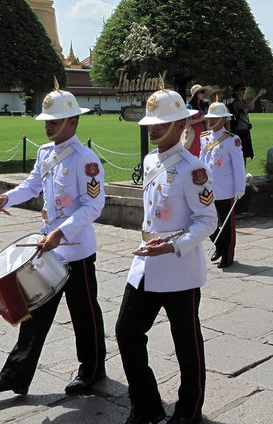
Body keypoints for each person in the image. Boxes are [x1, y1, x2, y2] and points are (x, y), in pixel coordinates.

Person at [0, 87, 107, 396]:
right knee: (32, 312)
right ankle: (15, 375)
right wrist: (7, 198)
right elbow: (33, 184)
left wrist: (61, 233)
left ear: (73, 122)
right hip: (45, 249)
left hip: (75, 250)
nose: (48, 126)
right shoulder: (45, 153)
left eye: (56, 121)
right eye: (47, 121)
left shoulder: (85, 160)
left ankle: (92, 370)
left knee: (85, 314)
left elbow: (94, 206)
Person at [115, 88, 217, 424]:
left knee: (186, 344)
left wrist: (174, 245)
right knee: (126, 332)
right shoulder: (150, 160)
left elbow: (208, 220)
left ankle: (190, 410)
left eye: (162, 123)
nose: (153, 129)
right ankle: (145, 405)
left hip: (179, 269)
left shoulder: (193, 169)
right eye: (151, 123)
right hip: (145, 265)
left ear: (181, 124)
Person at [200, 101, 245, 269]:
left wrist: (240, 188)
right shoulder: (205, 137)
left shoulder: (232, 140)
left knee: (226, 225)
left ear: (223, 119)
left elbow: (238, 166)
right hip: (207, 188)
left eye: (214, 118)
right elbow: (201, 161)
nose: (210, 121)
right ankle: (218, 245)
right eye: (209, 118)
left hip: (225, 189)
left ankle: (227, 254)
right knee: (206, 220)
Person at [229, 83, 265, 162]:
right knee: (240, 154)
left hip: (245, 130)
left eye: (244, 89)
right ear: (236, 92)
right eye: (241, 89)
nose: (244, 91)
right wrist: (257, 96)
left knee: (245, 155)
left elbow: (251, 107)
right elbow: (246, 107)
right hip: (239, 131)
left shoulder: (243, 101)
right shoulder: (236, 103)